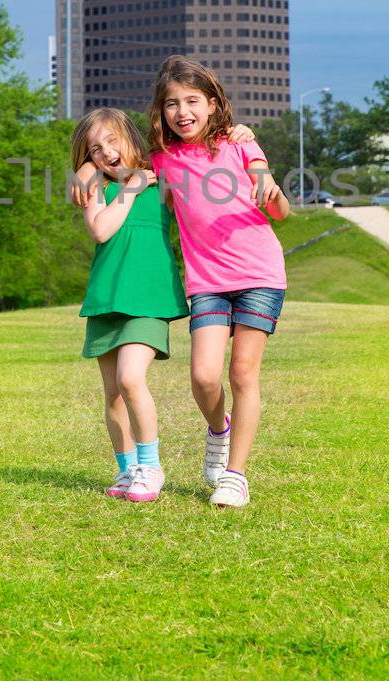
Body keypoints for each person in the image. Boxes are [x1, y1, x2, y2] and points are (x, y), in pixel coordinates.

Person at [146, 56, 288, 509]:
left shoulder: (241, 144)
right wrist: (88, 173)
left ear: (212, 104)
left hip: (259, 272)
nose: (182, 111)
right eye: (172, 104)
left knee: (243, 372)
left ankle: (236, 475)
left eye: (192, 101)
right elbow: (114, 164)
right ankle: (218, 430)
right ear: (161, 111)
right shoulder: (163, 159)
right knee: (204, 376)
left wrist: (270, 190)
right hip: (206, 280)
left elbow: (281, 212)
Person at [72, 107, 188, 503]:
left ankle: (151, 466)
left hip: (149, 299)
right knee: (113, 394)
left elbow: (193, 151)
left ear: (130, 137)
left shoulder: (161, 176)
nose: (105, 151)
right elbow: (101, 229)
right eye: (94, 149)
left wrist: (241, 133)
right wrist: (111, 181)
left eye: (111, 140)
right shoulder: (99, 187)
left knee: (131, 379)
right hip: (108, 297)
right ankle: (127, 471)